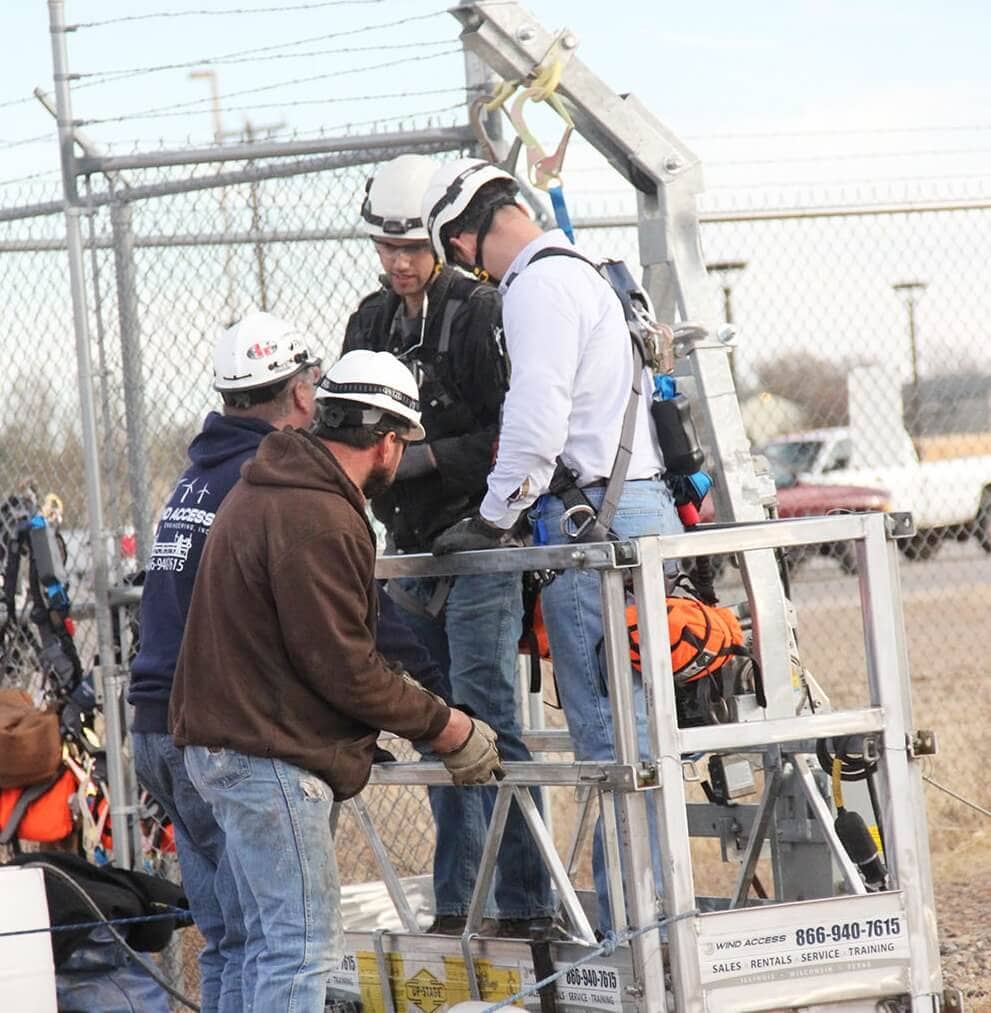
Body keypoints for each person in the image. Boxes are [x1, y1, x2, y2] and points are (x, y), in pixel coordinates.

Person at [129, 314, 457, 1011]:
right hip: (245, 734)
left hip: (176, 725)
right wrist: (441, 712)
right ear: (301, 395)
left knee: (234, 941)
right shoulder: (291, 498)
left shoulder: (212, 478)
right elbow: (340, 650)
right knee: (291, 944)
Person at [423, 158, 683, 931]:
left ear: (468, 237)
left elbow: (537, 417)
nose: (471, 269)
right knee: (645, 736)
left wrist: (496, 513)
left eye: (463, 255)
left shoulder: (535, 286)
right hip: (633, 509)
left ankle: (634, 942)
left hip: (588, 523)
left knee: (615, 748)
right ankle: (653, 928)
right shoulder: (583, 275)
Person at [343, 154, 553, 936]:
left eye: (411, 246)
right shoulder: (369, 321)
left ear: (438, 238)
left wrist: (425, 457)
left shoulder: (476, 310)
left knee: (488, 715)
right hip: (409, 547)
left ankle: (528, 903)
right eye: (385, 247)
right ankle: (459, 903)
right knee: (433, 721)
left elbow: (513, 430)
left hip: (479, 544)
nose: (399, 263)